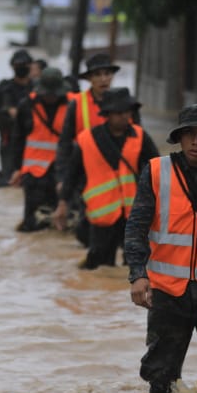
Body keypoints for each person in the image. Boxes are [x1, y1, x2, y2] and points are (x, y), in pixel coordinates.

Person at [124, 103, 197, 393]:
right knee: (160, 376)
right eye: (189, 134)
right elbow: (136, 227)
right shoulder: (156, 171)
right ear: (180, 138)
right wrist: (137, 275)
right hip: (166, 292)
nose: (196, 142)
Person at [52, 87, 159, 269]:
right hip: (102, 214)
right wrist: (63, 203)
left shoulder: (140, 136)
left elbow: (157, 169)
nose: (125, 116)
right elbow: (72, 173)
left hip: (133, 213)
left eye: (127, 111)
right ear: (107, 114)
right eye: (119, 112)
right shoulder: (87, 140)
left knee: (135, 265)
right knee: (99, 265)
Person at [8, 67, 71, 232]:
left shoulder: (72, 105)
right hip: (34, 173)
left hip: (61, 172)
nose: (50, 97)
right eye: (47, 94)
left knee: (61, 224)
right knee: (32, 223)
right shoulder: (27, 105)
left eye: (54, 94)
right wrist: (16, 168)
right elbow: (17, 139)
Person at [0, 49, 36, 187]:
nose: (21, 67)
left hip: (32, 141)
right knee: (8, 181)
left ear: (31, 66)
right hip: (8, 140)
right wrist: (5, 111)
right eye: (18, 64)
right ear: (12, 66)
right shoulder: (4, 88)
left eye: (25, 64)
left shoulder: (37, 89)